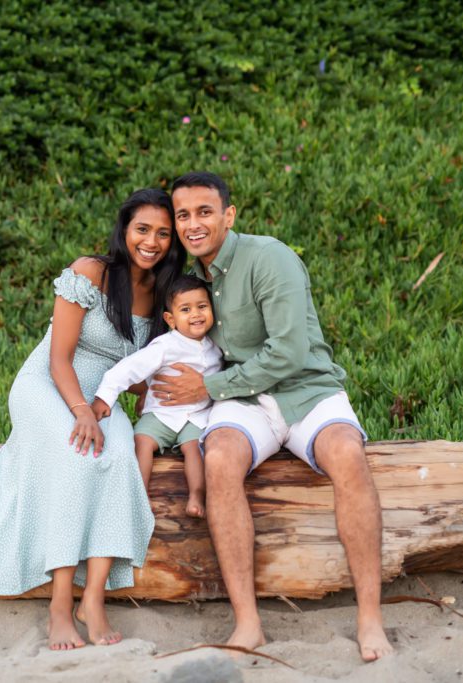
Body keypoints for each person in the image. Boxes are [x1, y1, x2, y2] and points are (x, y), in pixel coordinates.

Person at [151, 171, 394, 661]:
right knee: (219, 458)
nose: (193, 224)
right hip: (245, 401)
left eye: (204, 212)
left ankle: (370, 620)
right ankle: (248, 624)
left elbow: (288, 352)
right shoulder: (193, 274)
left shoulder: (270, 258)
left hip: (306, 388)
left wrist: (208, 387)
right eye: (183, 215)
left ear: (228, 215)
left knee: (347, 452)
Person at [0, 188, 186, 651]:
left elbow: (135, 372)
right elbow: (59, 358)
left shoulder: (165, 293)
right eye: (142, 229)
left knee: (119, 458)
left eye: (163, 234)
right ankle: (57, 606)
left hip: (103, 398)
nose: (151, 241)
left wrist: (173, 402)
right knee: (80, 456)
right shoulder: (89, 273)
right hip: (51, 387)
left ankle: (92, 600)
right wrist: (80, 411)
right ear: (124, 230)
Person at [90, 275, 222, 518]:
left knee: (195, 449)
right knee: (142, 442)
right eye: (186, 309)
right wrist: (104, 397)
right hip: (161, 413)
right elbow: (128, 369)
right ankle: (138, 496)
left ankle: (197, 495)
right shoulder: (165, 346)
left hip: (196, 415)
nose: (196, 314)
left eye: (202, 307)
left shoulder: (216, 347)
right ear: (170, 319)